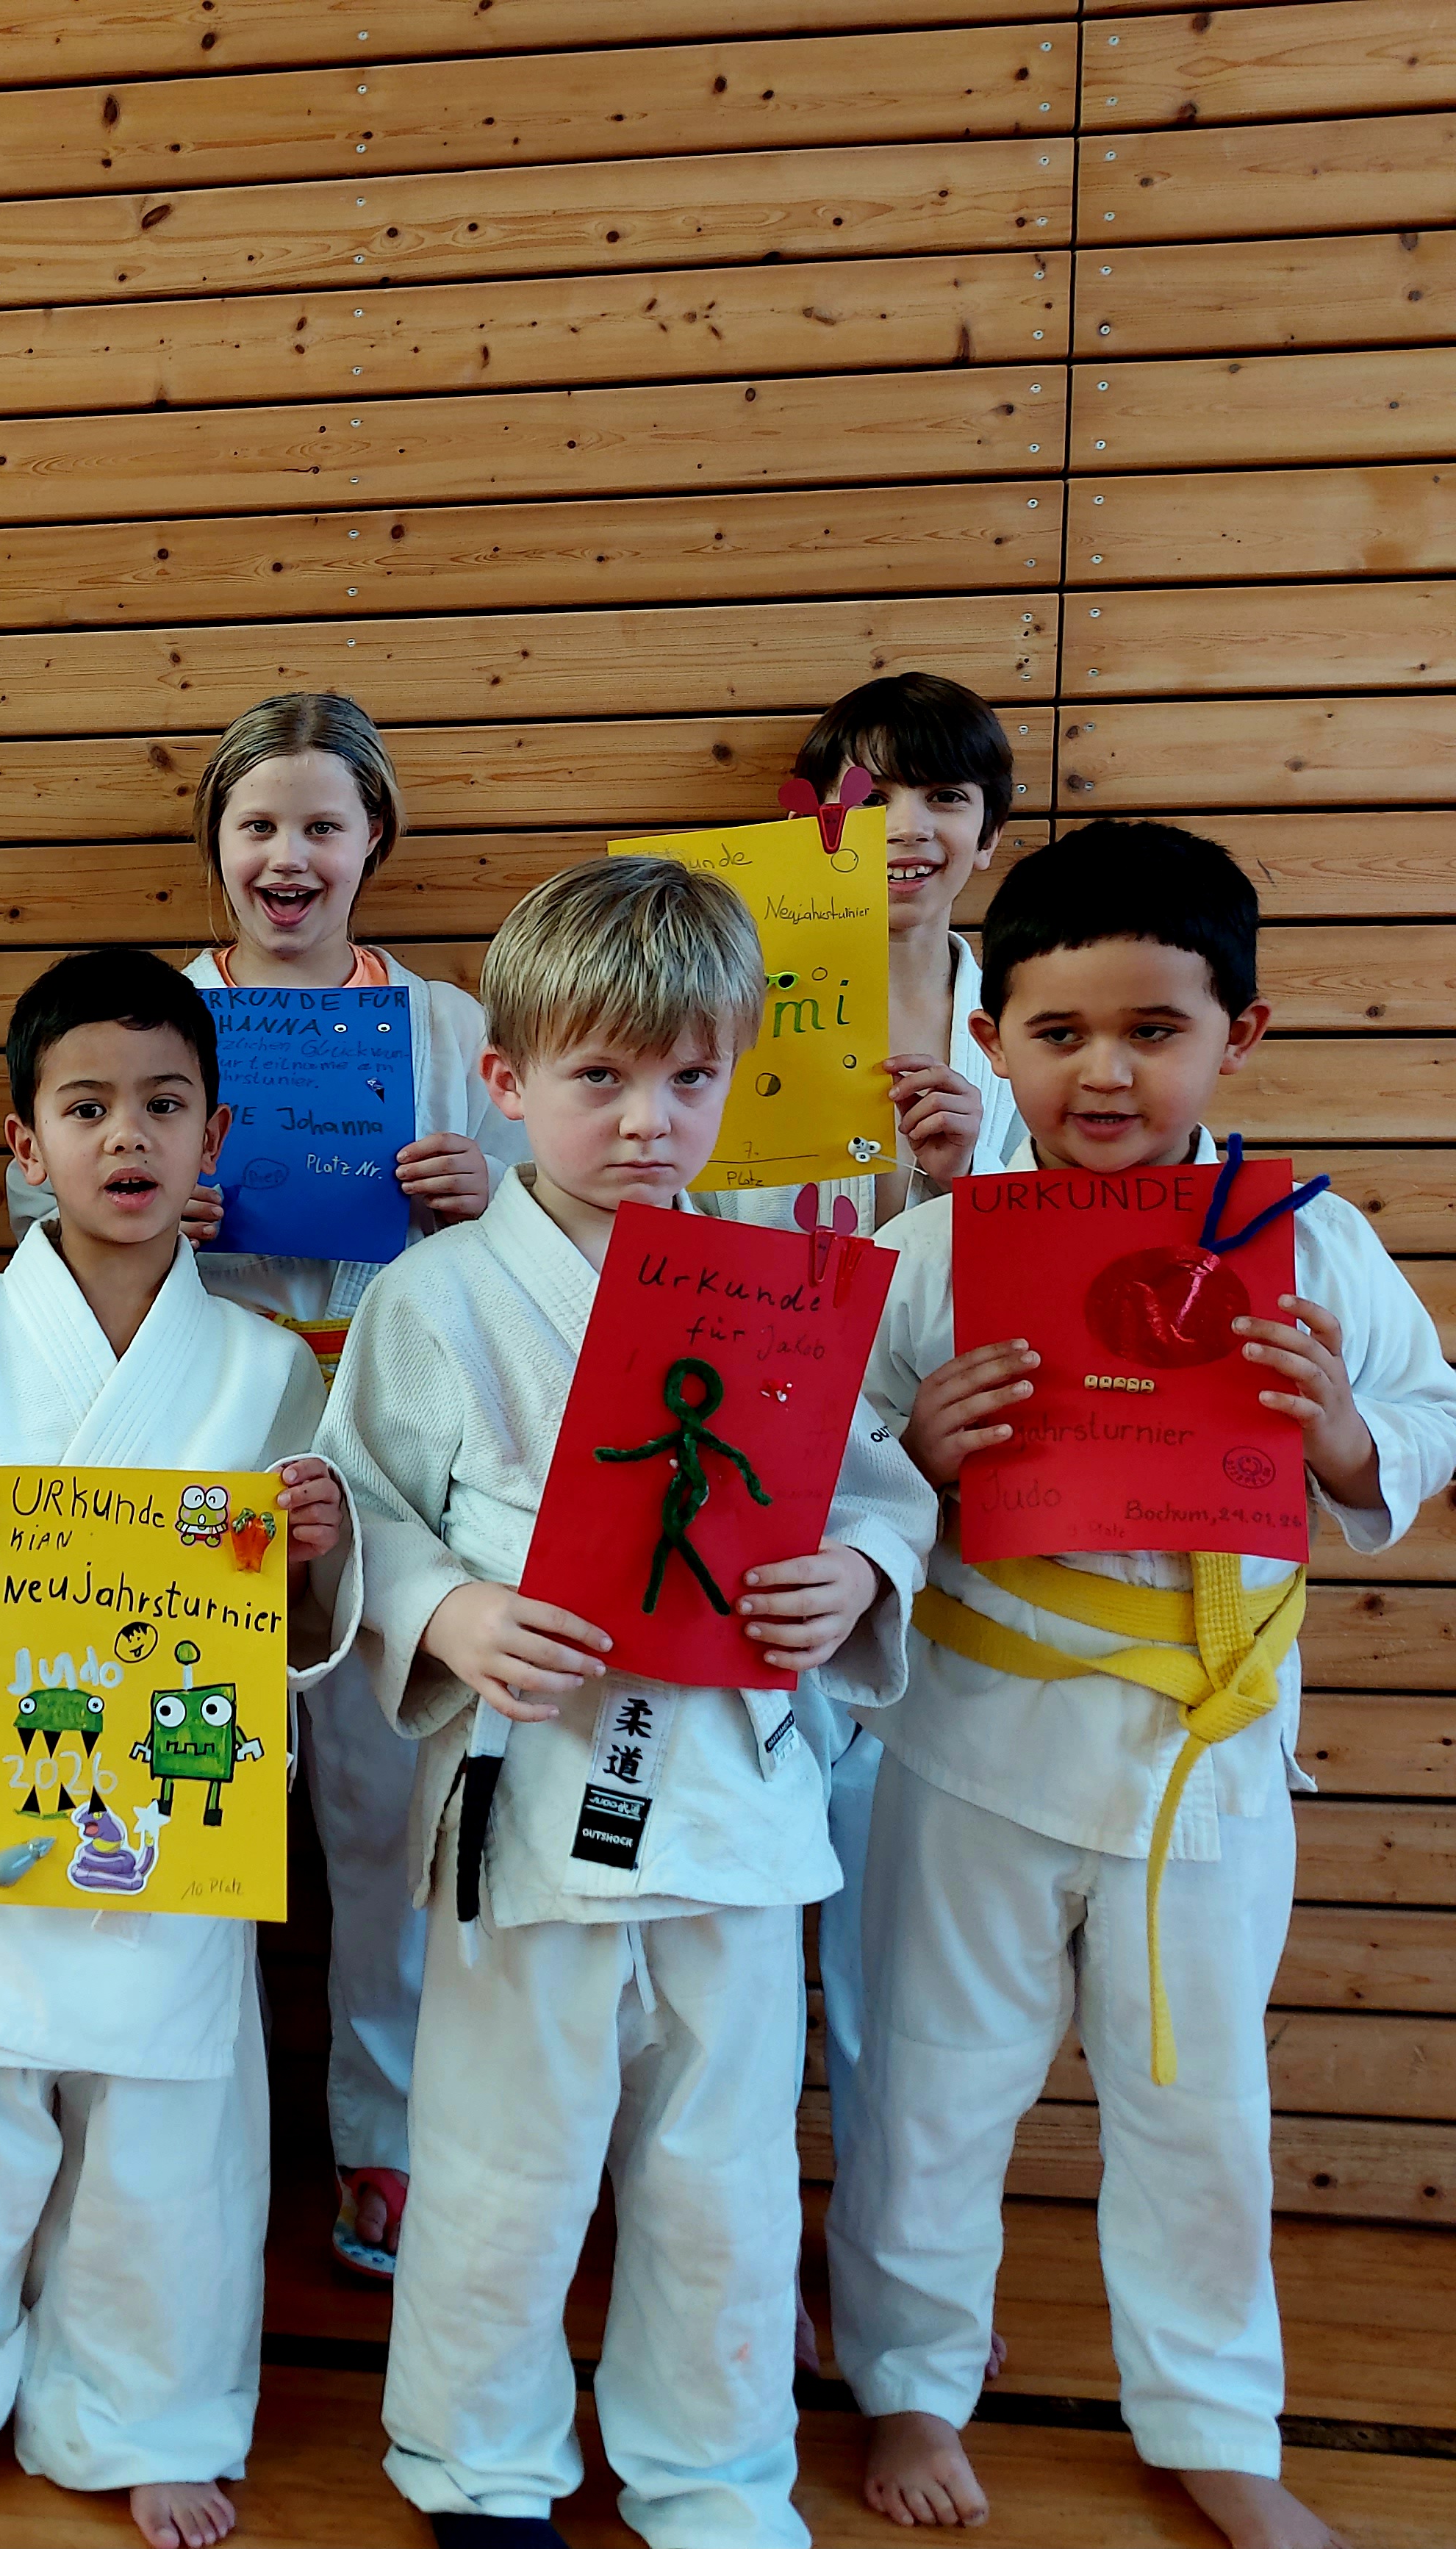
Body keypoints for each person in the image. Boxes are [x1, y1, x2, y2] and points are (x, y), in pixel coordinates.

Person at [838, 822, 1456, 2549]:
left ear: (1234, 1036)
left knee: (1198, 2107)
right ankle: (906, 2378)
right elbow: (829, 1467)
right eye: (1056, 1034)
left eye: (1150, 1030)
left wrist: (1339, 1432)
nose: (1101, 1072)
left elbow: (1424, 1420)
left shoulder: (1307, 1246)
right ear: (991, 1041)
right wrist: (917, 1450)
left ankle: (1213, 2423)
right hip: (974, 1740)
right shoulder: (933, 1251)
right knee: (931, 2083)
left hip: (1208, 1751)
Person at [321, 857, 939, 2548]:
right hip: (528, 1795)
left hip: (730, 1801)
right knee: (499, 2158)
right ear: (505, 1082)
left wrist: (856, 1572)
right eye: (596, 1076)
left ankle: (710, 2474)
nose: (645, 1120)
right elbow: (356, 1507)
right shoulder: (433, 1296)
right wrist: (445, 1610)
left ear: (734, 1078)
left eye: (686, 1077)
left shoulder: (779, 1281)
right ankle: (476, 2464)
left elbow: (875, 1489)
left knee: (720, 2169)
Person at [0, 947, 351, 2548]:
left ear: (212, 1137)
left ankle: (146, 2414)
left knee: (165, 2126)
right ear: (24, 1145)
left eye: (163, 1105)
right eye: (88, 1106)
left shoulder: (262, 1366)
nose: (127, 1136)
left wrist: (321, 1542)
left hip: (176, 1798)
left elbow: (307, 1610)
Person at [1, 692, 517, 2278]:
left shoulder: (443, 1026)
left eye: (321, 826)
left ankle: (385, 2136)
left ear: (375, 842)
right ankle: (147, 2135)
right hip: (196, 1439)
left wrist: (481, 1197)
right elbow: (39, 1216)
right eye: (257, 825)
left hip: (382, 1445)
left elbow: (555, 1212)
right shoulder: (160, 1021)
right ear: (215, 845)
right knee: (170, 1790)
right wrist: (152, 1216)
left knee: (378, 1812)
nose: (288, 856)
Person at [706, 670, 1025, 2364]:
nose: (906, 829)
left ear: (986, 835)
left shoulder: (1018, 1028)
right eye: (870, 794)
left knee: (901, 1960)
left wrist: (969, 1177)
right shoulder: (742, 993)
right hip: (765, 1490)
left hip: (957, 1519)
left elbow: (1065, 1270)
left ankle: (888, 2280)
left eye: (943, 799)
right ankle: (743, 2255)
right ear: (806, 816)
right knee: (747, 1928)